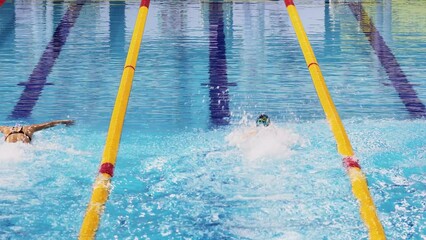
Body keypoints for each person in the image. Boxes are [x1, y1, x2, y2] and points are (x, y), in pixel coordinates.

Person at [0, 119, 74, 143]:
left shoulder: (5, 129)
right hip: (24, 148)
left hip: (9, 149)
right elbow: (49, 124)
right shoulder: (30, 128)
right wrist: (65, 121)